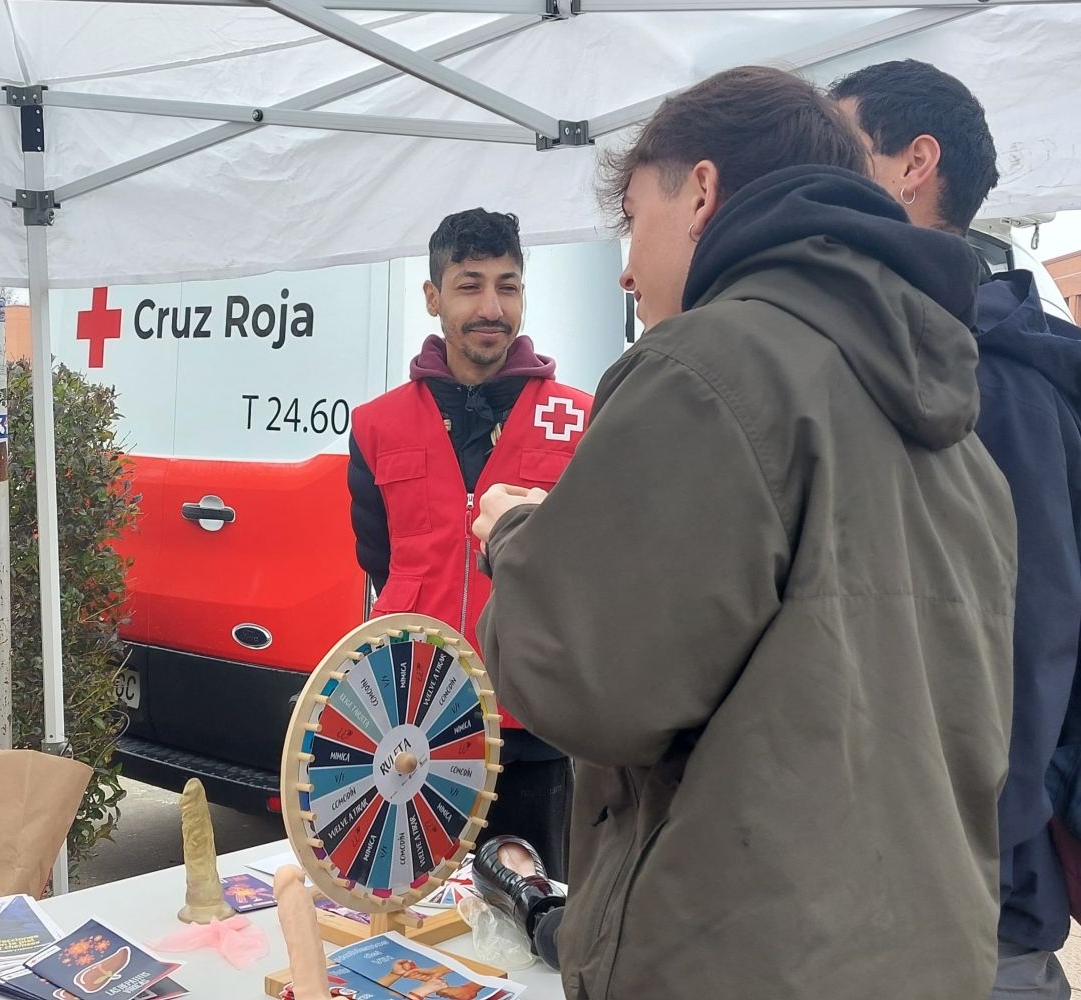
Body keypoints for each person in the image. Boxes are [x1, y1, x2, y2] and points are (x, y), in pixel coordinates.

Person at [473, 66, 1015, 999]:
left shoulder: (711, 366)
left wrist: (515, 533)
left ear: (704, 193)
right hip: (928, 952)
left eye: (635, 220)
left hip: (743, 959)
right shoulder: (959, 429)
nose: (627, 268)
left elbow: (583, 679)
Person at [834, 58, 1081, 1000]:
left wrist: (976, 838)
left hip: (972, 914)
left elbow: (1033, 643)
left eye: (838, 150)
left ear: (913, 165)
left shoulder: (998, 380)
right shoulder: (899, 361)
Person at [347, 208, 593, 881]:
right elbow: (379, 559)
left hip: (532, 724)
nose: (492, 307)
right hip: (408, 723)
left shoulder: (580, 417)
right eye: (470, 285)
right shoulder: (376, 425)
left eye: (508, 286)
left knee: (529, 908)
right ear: (433, 297)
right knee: (409, 902)